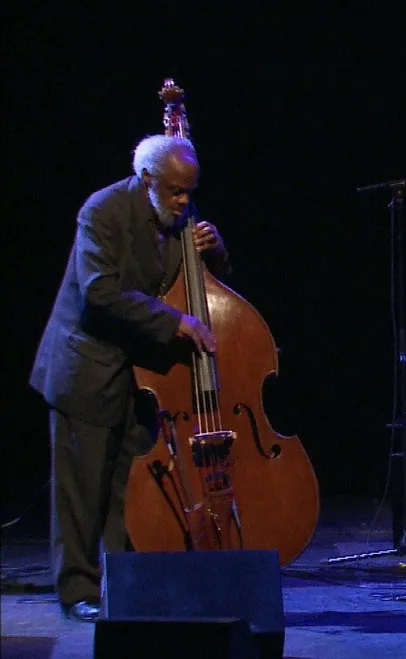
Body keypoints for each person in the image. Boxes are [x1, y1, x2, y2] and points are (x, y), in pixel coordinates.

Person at [28, 134, 229, 622]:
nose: (186, 203)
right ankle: (78, 589)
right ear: (147, 180)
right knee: (81, 492)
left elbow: (203, 289)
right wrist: (172, 322)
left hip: (144, 377)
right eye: (177, 192)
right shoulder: (102, 211)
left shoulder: (178, 214)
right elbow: (100, 292)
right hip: (86, 369)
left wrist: (216, 252)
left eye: (190, 192)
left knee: (128, 489)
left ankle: (125, 584)